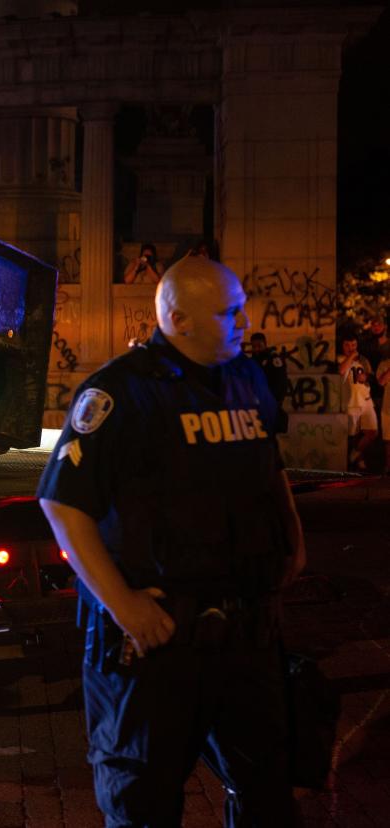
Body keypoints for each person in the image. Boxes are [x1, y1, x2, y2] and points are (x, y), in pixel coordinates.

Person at [36, 255, 306, 826]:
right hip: (155, 645)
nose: (243, 321)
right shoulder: (118, 394)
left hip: (245, 634)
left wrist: (292, 539)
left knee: (268, 790)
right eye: (228, 312)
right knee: (143, 803)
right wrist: (124, 604)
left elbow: (270, 465)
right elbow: (62, 503)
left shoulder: (248, 378)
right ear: (179, 319)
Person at [338, 332, 376, 471]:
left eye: (353, 345)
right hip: (351, 402)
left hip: (366, 401)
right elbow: (341, 371)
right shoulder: (340, 358)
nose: (351, 347)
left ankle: (354, 455)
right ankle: (358, 461)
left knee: (372, 431)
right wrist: (351, 357)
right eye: (347, 345)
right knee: (354, 435)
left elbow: (372, 376)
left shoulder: (363, 360)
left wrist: (366, 377)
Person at [248, 331, 290, 433]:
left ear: (265, 344)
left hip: (270, 402)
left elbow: (281, 381)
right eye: (254, 346)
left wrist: (274, 401)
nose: (257, 349)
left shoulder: (272, 359)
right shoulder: (252, 361)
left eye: (259, 346)